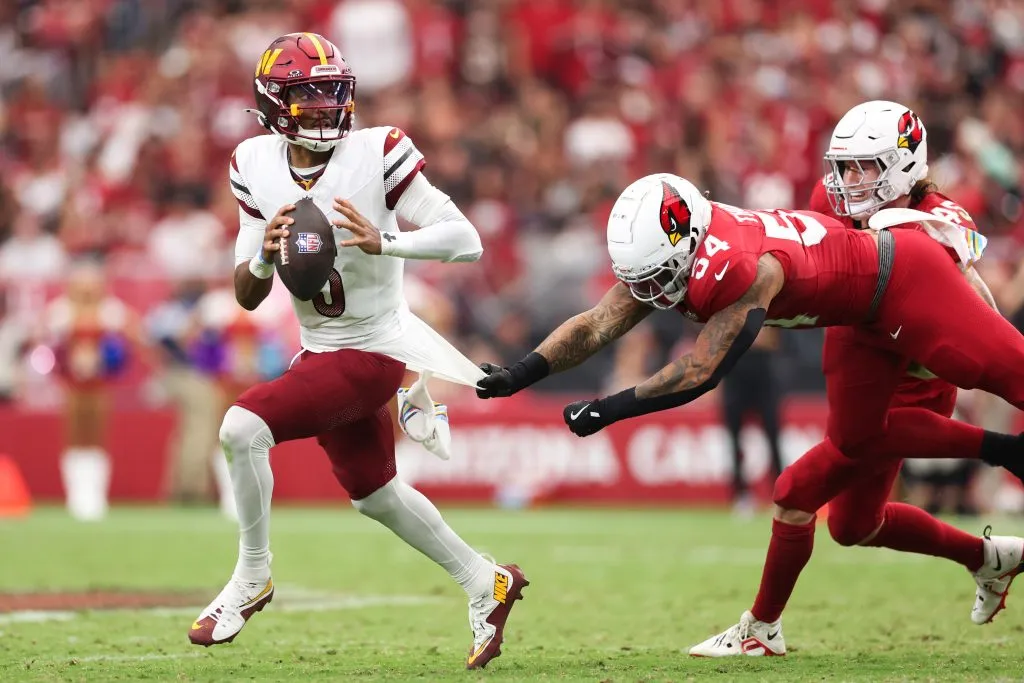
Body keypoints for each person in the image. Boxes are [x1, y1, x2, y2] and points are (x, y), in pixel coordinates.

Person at [474, 171, 1024, 651]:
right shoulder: (681, 242)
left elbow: (700, 371)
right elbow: (596, 322)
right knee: (855, 510)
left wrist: (606, 410)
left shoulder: (744, 267)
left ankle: (761, 630)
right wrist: (521, 373)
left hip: (904, 278)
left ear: (687, 243)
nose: (650, 293)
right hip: (860, 322)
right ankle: (990, 548)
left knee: (1012, 375)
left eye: (658, 276)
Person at [189, 33, 527, 671]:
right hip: (320, 351)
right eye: (307, 93)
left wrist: (387, 243)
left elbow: (467, 239)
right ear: (273, 103)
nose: (324, 105)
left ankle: (252, 575)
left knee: (241, 428)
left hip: (376, 350)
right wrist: (263, 251)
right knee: (375, 494)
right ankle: (487, 581)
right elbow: (247, 293)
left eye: (333, 91)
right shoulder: (252, 162)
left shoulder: (379, 151)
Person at [687, 101, 1022, 656]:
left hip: (917, 373)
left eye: (867, 166)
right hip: (860, 344)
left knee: (796, 490)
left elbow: (973, 296)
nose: (850, 181)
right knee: (853, 524)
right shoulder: (830, 199)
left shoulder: (940, 218)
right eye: (844, 166)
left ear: (905, 167)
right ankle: (990, 559)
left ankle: (760, 630)